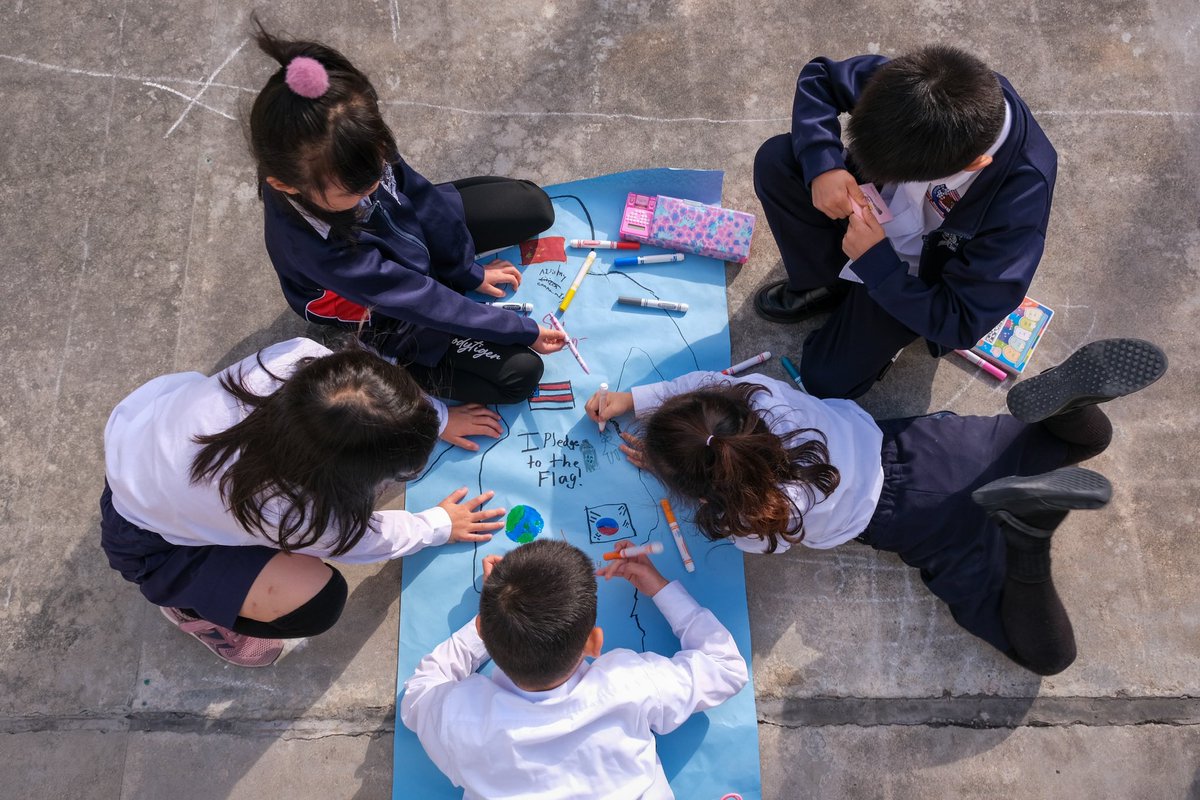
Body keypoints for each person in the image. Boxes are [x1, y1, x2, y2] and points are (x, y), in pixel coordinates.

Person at [585, 339, 1167, 675]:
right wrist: (635, 398)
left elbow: (765, 525)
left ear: (704, 490)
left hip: (923, 523)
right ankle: (1063, 403)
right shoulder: (762, 394)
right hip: (936, 446)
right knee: (1086, 442)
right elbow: (710, 381)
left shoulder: (751, 516)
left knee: (1049, 657)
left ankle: (1029, 538)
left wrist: (678, 474)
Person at [101, 338, 509, 667]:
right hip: (150, 543)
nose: (396, 480)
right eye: (392, 473)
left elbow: (373, 404)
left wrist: (434, 419)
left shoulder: (301, 358)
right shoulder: (291, 513)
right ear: (333, 479)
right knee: (318, 602)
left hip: (144, 446)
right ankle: (191, 606)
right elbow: (366, 541)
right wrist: (438, 524)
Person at [248, 19, 566, 406]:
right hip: (381, 309)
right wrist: (519, 329)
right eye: (356, 189)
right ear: (285, 184)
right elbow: (420, 298)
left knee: (532, 206)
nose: (375, 185)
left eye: (378, 170)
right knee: (521, 376)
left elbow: (421, 196)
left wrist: (465, 269)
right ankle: (397, 362)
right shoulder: (314, 249)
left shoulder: (356, 142)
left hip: (407, 238)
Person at [752, 45, 1057, 399]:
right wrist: (826, 166)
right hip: (866, 215)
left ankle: (872, 318)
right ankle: (825, 283)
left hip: (911, 278)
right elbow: (820, 79)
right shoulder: (919, 88)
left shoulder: (1021, 201)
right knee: (778, 160)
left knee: (824, 380)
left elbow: (960, 321)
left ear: (976, 164)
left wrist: (877, 267)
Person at [400, 539, 748, 799]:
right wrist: (657, 586)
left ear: (483, 634)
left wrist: (493, 618)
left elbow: (417, 693)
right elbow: (726, 667)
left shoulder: (459, 718)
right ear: (594, 643)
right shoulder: (630, 683)